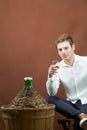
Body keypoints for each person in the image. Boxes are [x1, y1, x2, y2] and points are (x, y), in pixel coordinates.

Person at [46, 34, 87, 130]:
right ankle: (81, 115)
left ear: (73, 47)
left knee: (79, 123)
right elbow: (52, 92)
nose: (63, 52)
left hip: (86, 101)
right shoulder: (57, 67)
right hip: (71, 104)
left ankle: (80, 117)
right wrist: (51, 77)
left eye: (66, 48)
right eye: (60, 50)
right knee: (51, 99)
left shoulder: (85, 61)